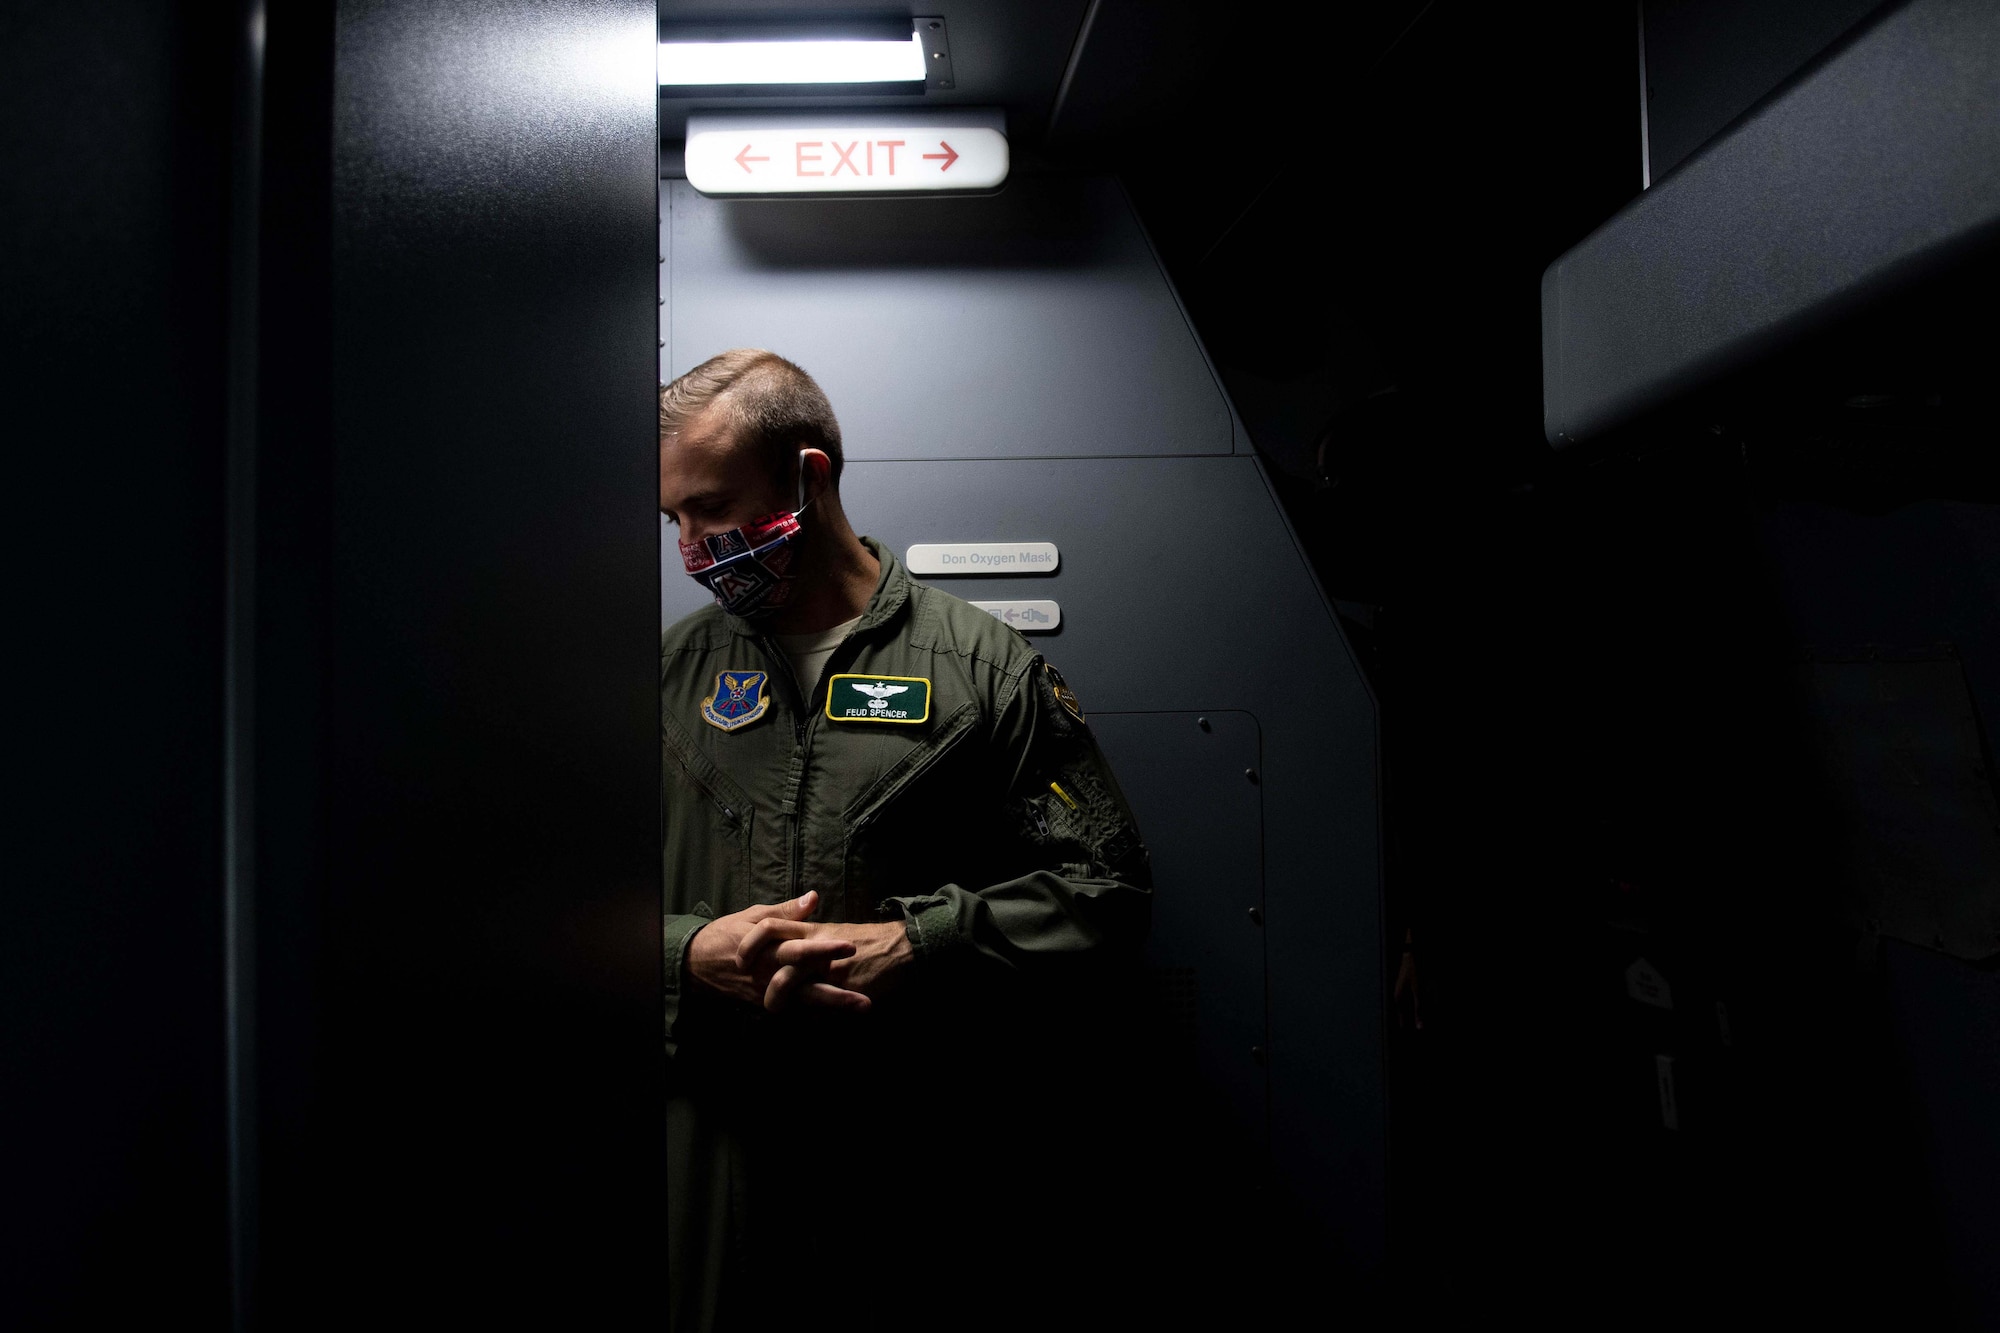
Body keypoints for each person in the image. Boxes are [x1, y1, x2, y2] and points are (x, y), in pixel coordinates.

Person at [658, 349, 1153, 1332]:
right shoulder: (664, 677)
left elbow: (1107, 892)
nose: (688, 546)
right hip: (704, 1184)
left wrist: (921, 941)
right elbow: (543, 915)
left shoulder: (979, 670)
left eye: (709, 510)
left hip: (912, 1181)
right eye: (671, 518)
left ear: (810, 476)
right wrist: (684, 948)